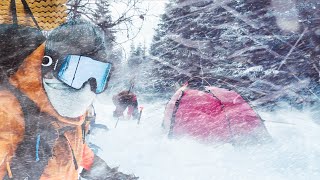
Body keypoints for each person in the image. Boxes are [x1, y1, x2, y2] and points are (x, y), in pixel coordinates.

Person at [0, 19, 137, 179]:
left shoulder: (72, 117)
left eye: (97, 77)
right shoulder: (8, 114)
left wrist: (106, 174)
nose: (87, 87)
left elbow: (78, 150)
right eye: (77, 73)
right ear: (48, 67)